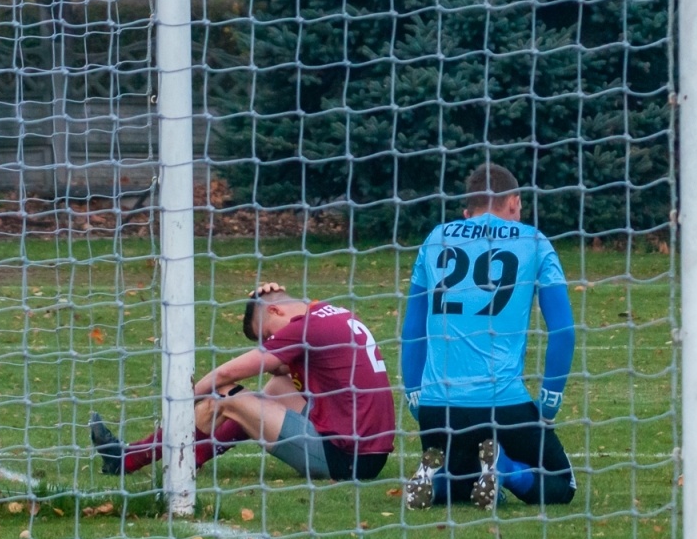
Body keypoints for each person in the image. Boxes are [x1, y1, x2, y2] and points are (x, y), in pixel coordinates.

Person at [399, 162, 576, 509]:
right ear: (514, 202)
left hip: (438, 410)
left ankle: (438, 477)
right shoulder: (533, 241)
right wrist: (548, 405)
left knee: (463, 475)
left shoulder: (437, 237)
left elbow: (413, 329)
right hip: (502, 404)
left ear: (468, 213)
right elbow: (564, 331)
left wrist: (415, 398)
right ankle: (506, 469)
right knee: (562, 483)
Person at [89, 283, 394, 484]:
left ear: (275, 310)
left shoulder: (304, 328)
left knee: (227, 397)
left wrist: (179, 402)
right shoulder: (329, 312)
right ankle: (185, 455)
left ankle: (139, 458)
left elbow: (223, 376)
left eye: (267, 334)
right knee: (272, 391)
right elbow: (285, 372)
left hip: (346, 460)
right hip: (368, 453)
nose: (270, 342)